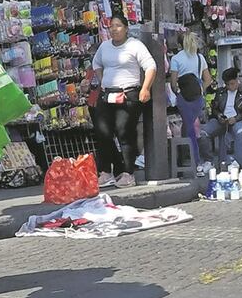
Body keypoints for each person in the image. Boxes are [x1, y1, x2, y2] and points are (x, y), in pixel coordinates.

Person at [90, 13, 157, 188]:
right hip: (107, 94)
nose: (114, 29)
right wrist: (103, 79)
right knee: (102, 132)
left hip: (128, 94)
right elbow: (96, 64)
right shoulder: (104, 47)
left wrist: (145, 88)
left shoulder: (135, 45)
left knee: (124, 132)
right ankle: (106, 171)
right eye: (111, 26)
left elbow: (151, 66)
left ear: (126, 28)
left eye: (118, 25)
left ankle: (128, 173)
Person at [168, 32, 212, 174]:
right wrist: (200, 89)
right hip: (197, 97)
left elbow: (173, 84)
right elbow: (208, 80)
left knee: (188, 129)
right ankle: (204, 160)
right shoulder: (200, 58)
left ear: (180, 44)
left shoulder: (176, 59)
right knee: (195, 127)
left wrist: (179, 93)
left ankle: (192, 161)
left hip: (184, 99)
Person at [200, 67, 242, 169]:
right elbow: (215, 109)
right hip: (222, 121)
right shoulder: (220, 92)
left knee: (240, 131)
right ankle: (208, 161)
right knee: (203, 132)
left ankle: (241, 165)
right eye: (227, 84)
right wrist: (219, 116)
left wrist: (236, 118)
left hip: (238, 120)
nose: (230, 87)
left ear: (237, 80)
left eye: (232, 84)